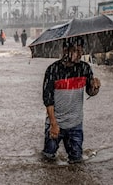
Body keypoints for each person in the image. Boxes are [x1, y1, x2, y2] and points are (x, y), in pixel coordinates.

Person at [42, 36, 101, 164]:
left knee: (77, 161)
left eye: (81, 51)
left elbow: (90, 92)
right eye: (75, 50)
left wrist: (95, 88)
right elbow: (48, 100)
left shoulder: (84, 68)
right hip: (56, 123)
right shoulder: (53, 70)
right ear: (65, 50)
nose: (79, 54)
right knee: (48, 158)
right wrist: (53, 124)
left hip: (76, 124)